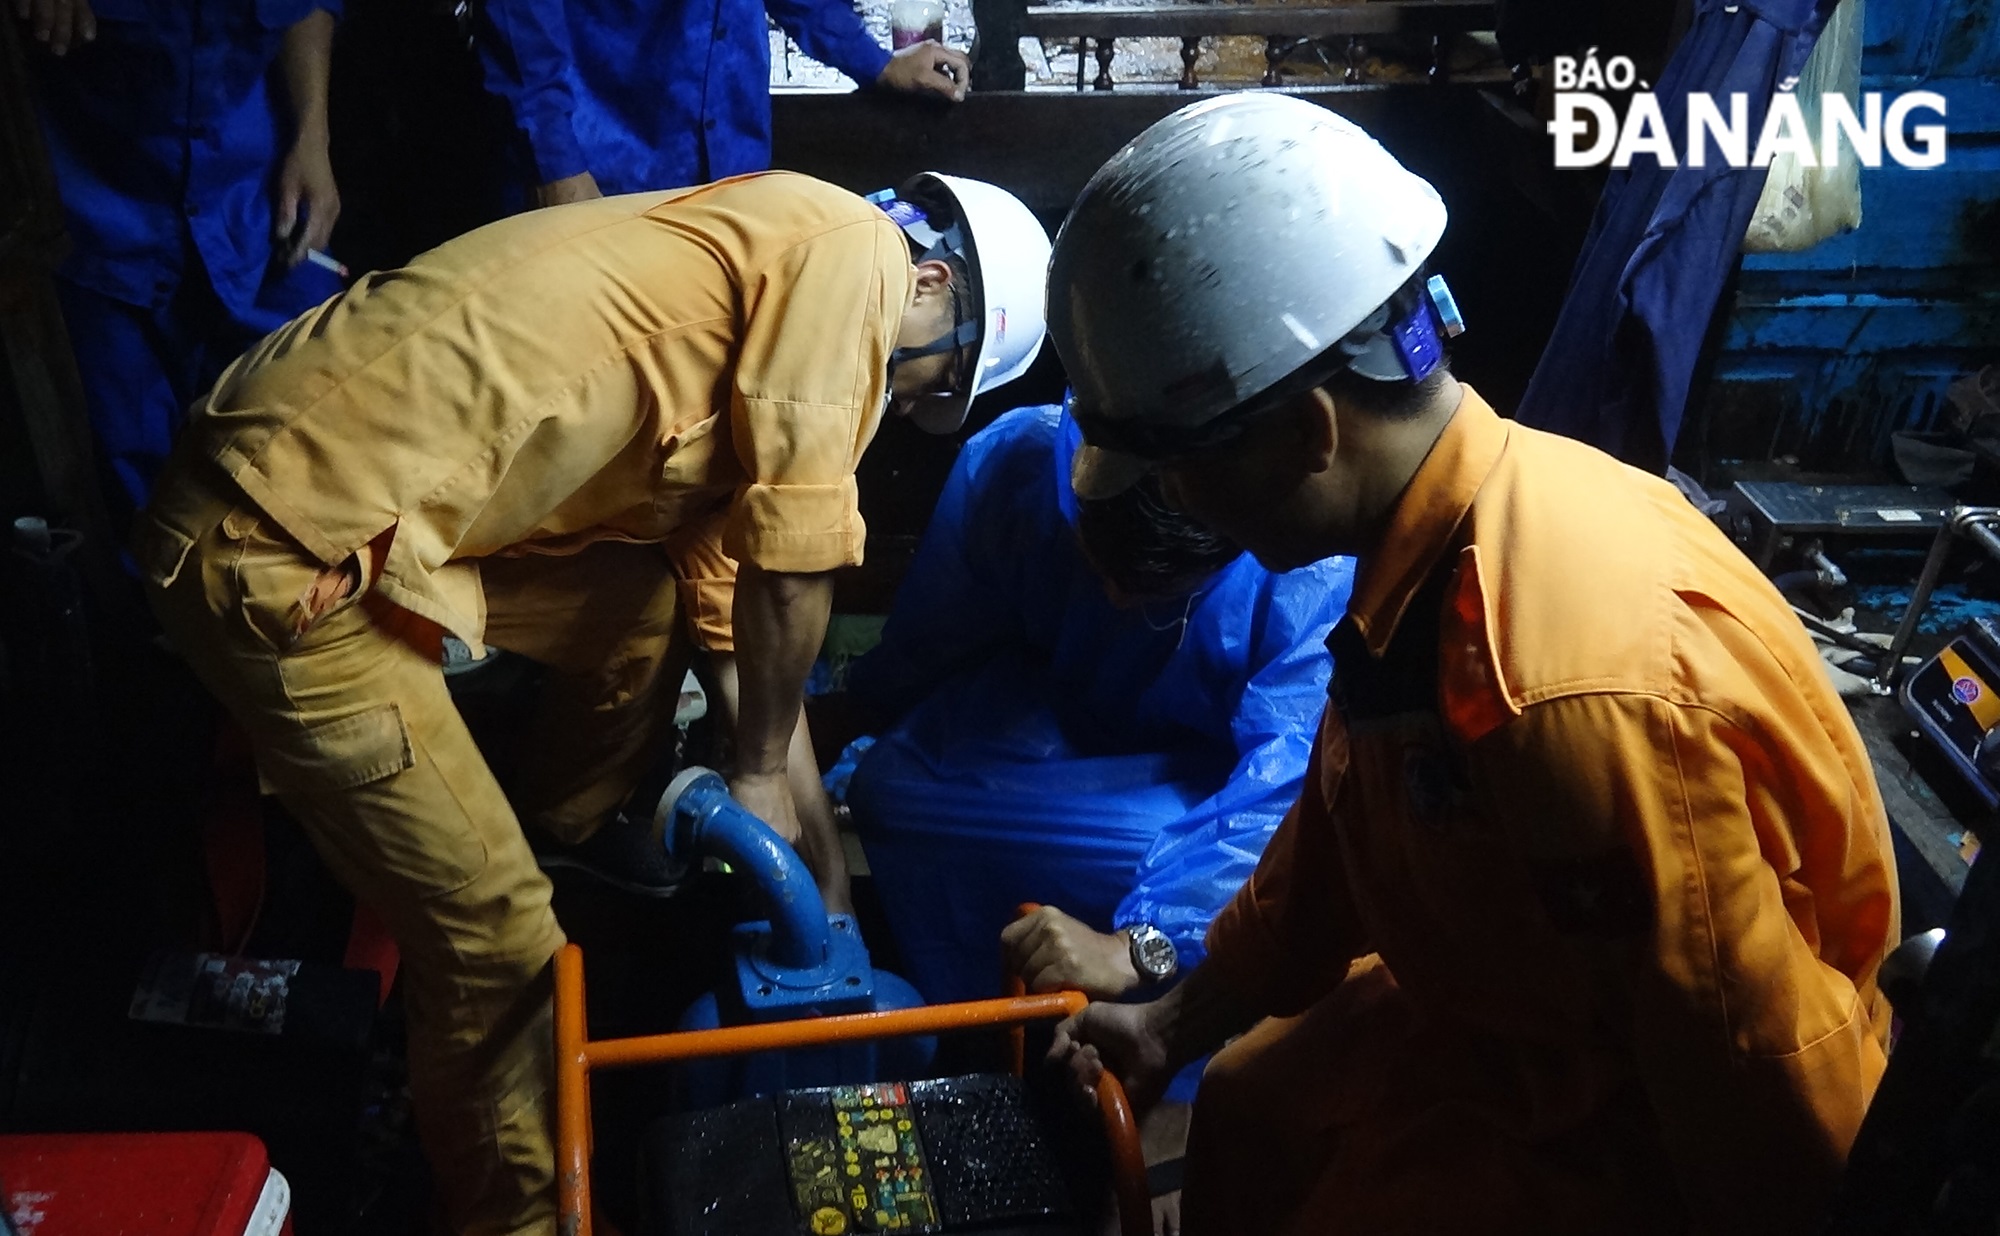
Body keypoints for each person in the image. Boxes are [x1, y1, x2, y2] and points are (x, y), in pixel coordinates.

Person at [135, 169, 1049, 1235]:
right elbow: (796, 572)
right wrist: (750, 774)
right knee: (498, 946)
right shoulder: (851, 254)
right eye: (921, 389)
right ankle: (525, 1218)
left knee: (642, 606)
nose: (890, 410)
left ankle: (568, 835)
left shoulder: (764, 285)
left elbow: (750, 642)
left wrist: (832, 897)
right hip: (284, 544)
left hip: (337, 497)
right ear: (931, 282)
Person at [1046, 94, 1899, 1236]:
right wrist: (1171, 1022)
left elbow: (1743, 1068)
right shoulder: (1434, 540)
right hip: (1520, 1010)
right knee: (1249, 1102)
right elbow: (1358, 826)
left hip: (1638, 1113)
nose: (1176, 505)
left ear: (1309, 433)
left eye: (1178, 465)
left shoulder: (1560, 694)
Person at [844, 402, 1352, 1013]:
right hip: (1053, 725)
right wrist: (860, 726)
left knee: (1176, 849)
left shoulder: (1306, 559)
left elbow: (1291, 782)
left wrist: (1147, 941)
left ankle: (1152, 1020)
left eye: (1151, 593)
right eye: (1095, 566)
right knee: (889, 792)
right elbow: (936, 637)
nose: (1113, 599)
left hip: (1204, 779)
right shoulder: (1018, 463)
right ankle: (977, 1018)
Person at [20, 0, 343, 533]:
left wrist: (314, 136)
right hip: (100, 226)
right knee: (138, 493)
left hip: (254, 203)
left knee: (317, 437)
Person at [478, 0, 969, 208]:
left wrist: (874, 61)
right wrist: (554, 166)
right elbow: (518, 16)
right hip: (604, 176)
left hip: (730, 173)